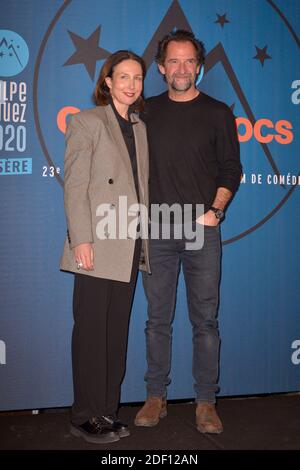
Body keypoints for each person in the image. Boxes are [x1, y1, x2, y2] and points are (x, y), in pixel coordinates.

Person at [134, 30, 242, 434]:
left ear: (199, 66)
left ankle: (205, 402)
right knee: (156, 320)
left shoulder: (218, 113)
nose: (181, 68)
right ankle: (155, 396)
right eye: (173, 61)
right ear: (161, 68)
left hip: (201, 230)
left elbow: (231, 167)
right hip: (157, 230)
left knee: (205, 321)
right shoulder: (145, 111)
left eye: (189, 61)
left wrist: (216, 210)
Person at [60, 50, 150, 444]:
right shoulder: (87, 121)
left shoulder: (141, 128)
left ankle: (106, 412)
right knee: (93, 333)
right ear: (108, 81)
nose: (131, 84)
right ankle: (84, 415)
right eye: (124, 77)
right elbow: (75, 185)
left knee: (116, 333)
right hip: (95, 244)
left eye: (138, 78)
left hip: (128, 245)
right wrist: (81, 239)